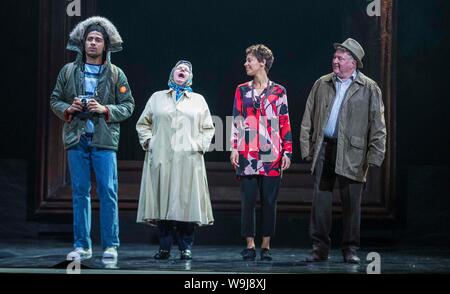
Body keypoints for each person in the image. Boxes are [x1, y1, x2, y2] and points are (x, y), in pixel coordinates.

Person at [50, 17, 135, 261]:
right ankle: (82, 245)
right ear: (83, 43)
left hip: (104, 139)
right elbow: (55, 99)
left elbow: (128, 105)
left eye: (98, 40)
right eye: (90, 39)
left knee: (108, 191)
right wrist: (69, 107)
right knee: (80, 191)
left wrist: (105, 109)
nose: (93, 43)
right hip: (77, 137)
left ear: (105, 45)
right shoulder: (68, 71)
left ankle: (110, 245)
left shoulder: (116, 74)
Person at [300, 38, 386, 263]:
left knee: (351, 205)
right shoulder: (322, 83)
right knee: (320, 204)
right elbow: (308, 117)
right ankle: (320, 248)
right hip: (324, 149)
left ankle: (350, 249)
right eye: (334, 57)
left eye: (341, 58)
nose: (335, 61)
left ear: (354, 63)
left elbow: (378, 125)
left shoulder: (369, 88)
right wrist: (307, 149)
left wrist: (375, 156)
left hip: (353, 153)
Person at [136, 60, 215, 260]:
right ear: (172, 73)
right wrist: (149, 142)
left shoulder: (198, 100)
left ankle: (185, 247)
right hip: (162, 157)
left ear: (190, 76)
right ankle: (164, 247)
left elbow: (208, 128)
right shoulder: (157, 98)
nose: (183, 70)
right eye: (179, 68)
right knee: (163, 202)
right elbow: (143, 123)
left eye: (187, 69)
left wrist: (199, 146)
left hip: (189, 159)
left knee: (186, 203)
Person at [230, 44, 293, 261]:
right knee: (248, 200)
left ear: (262, 62)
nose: (246, 63)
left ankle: (266, 246)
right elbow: (237, 119)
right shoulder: (241, 90)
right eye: (246, 60)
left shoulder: (279, 91)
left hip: (271, 153)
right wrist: (234, 147)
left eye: (250, 60)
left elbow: (284, 122)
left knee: (269, 200)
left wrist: (287, 152)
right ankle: (250, 245)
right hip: (247, 152)